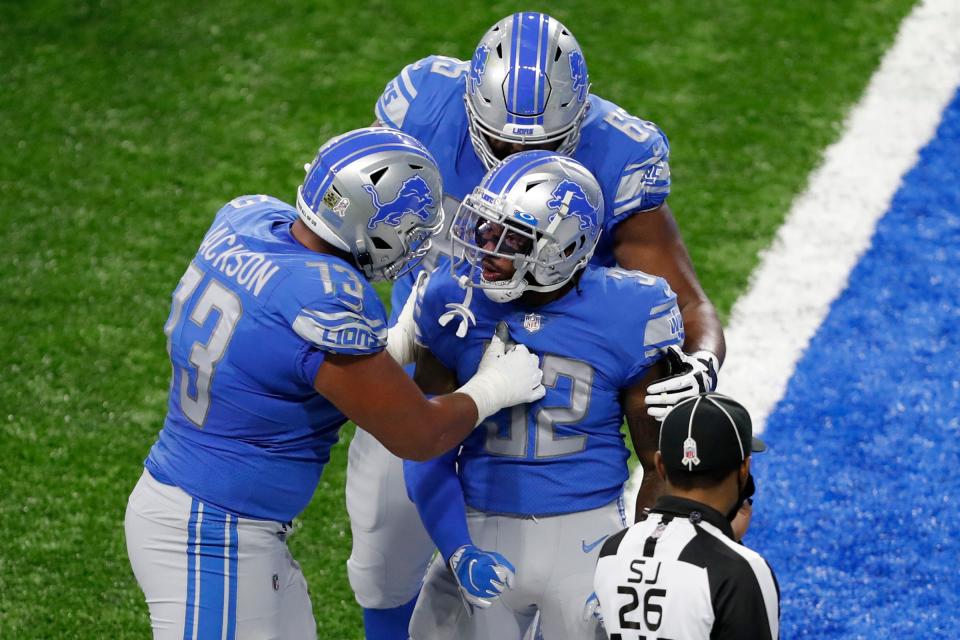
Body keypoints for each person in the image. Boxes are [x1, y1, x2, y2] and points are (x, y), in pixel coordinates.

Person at [347, 14, 723, 636]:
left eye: (542, 149)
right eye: (504, 146)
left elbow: (688, 303)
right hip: (434, 355)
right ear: (470, 111)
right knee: (385, 550)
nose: (520, 164)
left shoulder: (619, 154)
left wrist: (702, 360)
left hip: (555, 373)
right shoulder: (421, 111)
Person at [123, 127, 546, 639]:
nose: (417, 241)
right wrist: (494, 387)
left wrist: (394, 346)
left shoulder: (247, 221)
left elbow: (280, 358)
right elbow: (417, 435)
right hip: (209, 537)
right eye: (411, 227)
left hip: (218, 518)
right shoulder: (327, 296)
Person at [403, 151, 684, 639]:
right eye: (486, 228)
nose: (485, 248)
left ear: (561, 248)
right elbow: (422, 444)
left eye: (510, 238)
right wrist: (457, 547)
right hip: (479, 525)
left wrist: (633, 559)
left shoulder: (631, 309)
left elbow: (658, 459)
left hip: (589, 535)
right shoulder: (454, 296)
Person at [592, 392, 780, 640]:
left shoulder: (613, 550)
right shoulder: (740, 570)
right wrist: (727, 545)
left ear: (660, 466)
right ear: (744, 468)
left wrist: (723, 538)